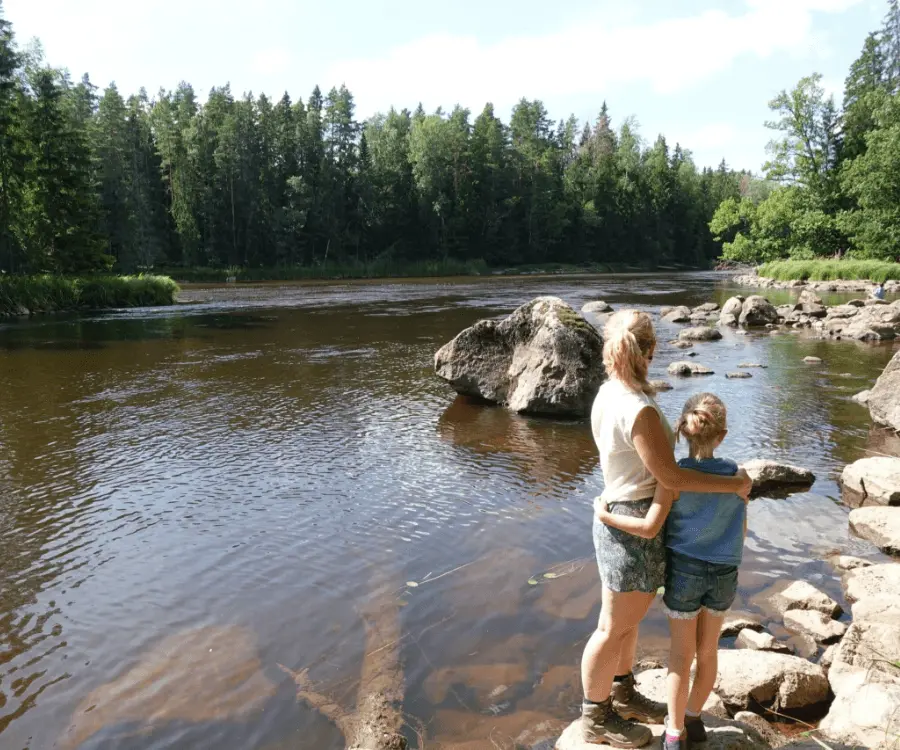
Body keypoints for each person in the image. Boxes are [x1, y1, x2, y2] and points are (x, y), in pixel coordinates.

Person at [581, 311, 752, 748]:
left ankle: (623, 691)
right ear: (651, 351)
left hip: (626, 513)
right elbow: (672, 478)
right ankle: (596, 717)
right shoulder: (638, 410)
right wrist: (733, 484)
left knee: (628, 623)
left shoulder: (609, 392)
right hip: (633, 522)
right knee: (612, 626)